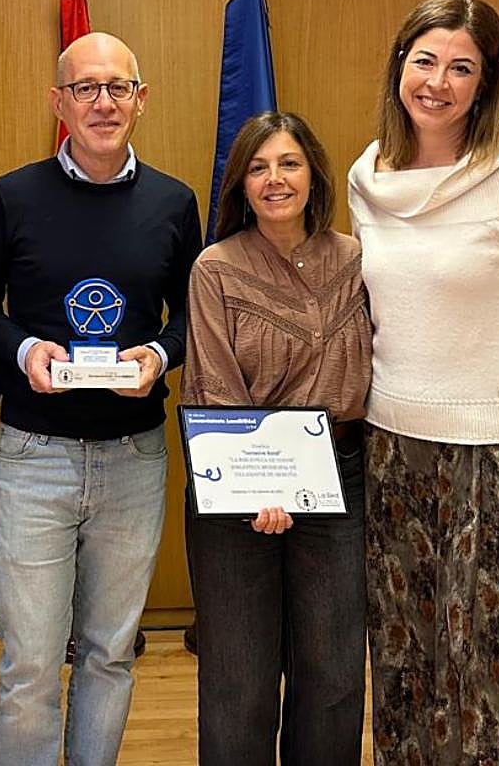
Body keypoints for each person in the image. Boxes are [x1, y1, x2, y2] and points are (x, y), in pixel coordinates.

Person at [348, 0, 499, 765]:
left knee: (491, 666)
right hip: (393, 452)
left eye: (461, 68)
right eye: (425, 61)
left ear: (484, 84)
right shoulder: (366, 177)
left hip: (496, 456)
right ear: (399, 67)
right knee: (405, 662)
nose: (438, 83)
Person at [0, 31, 201, 765]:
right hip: (35, 455)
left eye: (117, 87)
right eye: (85, 88)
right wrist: (24, 351)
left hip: (133, 458)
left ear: (141, 99)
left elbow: (198, 311)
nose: (103, 102)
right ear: (58, 103)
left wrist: (159, 353)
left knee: (109, 652)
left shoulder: (173, 202)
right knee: (30, 662)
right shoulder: (14, 195)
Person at [181, 112, 371, 765]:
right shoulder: (217, 269)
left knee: (336, 673)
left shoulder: (352, 258)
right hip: (240, 492)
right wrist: (263, 483)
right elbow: (212, 382)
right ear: (241, 184)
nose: (274, 179)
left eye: (288, 163)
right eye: (258, 167)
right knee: (239, 680)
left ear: (313, 173)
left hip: (337, 482)